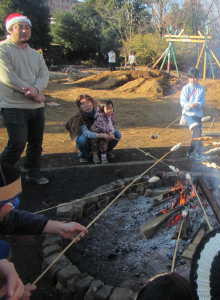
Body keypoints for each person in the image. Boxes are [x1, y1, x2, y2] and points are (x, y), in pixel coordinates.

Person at [0, 162, 88, 299]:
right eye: (7, 205)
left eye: (11, 203)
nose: (9, 208)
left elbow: (8, 218)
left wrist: (57, 227)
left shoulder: (5, 212)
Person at [0, 13, 50, 185]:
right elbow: (7, 77)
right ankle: (3, 174)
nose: (24, 30)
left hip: (36, 106)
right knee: (17, 142)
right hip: (13, 105)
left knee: (36, 143)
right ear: (10, 29)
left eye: (27, 27)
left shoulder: (36, 54)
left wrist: (36, 90)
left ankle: (32, 171)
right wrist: (32, 93)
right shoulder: (3, 49)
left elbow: (44, 74)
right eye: (20, 27)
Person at [65, 95, 121, 163]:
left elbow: (111, 122)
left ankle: (104, 152)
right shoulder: (79, 118)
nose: (86, 105)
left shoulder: (101, 110)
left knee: (117, 134)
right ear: (79, 107)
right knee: (82, 140)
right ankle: (85, 155)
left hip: (103, 133)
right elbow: (87, 133)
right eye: (82, 104)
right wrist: (102, 135)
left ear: (92, 102)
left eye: (88, 102)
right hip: (89, 137)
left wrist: (110, 133)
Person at [179, 67, 206, 161]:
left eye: (195, 78)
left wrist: (197, 104)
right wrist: (188, 105)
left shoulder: (201, 88)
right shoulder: (185, 88)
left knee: (198, 134)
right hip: (188, 114)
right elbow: (182, 102)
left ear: (198, 78)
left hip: (197, 114)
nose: (193, 80)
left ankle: (195, 153)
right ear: (188, 78)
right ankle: (192, 153)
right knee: (196, 130)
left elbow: (202, 101)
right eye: (191, 78)